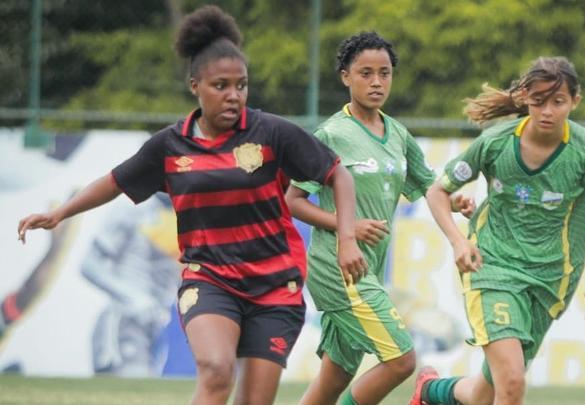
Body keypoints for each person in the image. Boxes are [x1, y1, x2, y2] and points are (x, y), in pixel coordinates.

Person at [17, 5, 365, 405]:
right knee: (216, 371)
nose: (234, 95)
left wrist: (347, 238)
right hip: (210, 279)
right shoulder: (169, 145)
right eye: (221, 85)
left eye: (242, 85)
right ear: (195, 85)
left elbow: (338, 174)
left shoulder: (272, 132)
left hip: (276, 287)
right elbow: (114, 182)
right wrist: (60, 213)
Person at [411, 56, 585, 405]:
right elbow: (437, 190)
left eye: (558, 102)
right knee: (513, 383)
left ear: (575, 101)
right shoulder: (496, 143)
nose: (548, 111)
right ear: (524, 99)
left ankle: (429, 392)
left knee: (486, 393)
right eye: (538, 101)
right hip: (492, 268)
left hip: (550, 283)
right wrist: (458, 241)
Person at [285, 32, 474, 405]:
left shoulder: (398, 134)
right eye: (365, 73)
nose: (376, 82)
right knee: (403, 361)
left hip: (368, 267)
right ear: (346, 77)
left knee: (334, 376)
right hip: (337, 267)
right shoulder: (331, 134)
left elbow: (428, 186)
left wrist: (454, 202)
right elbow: (293, 201)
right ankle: (423, 396)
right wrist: (348, 227)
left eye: (384, 73)